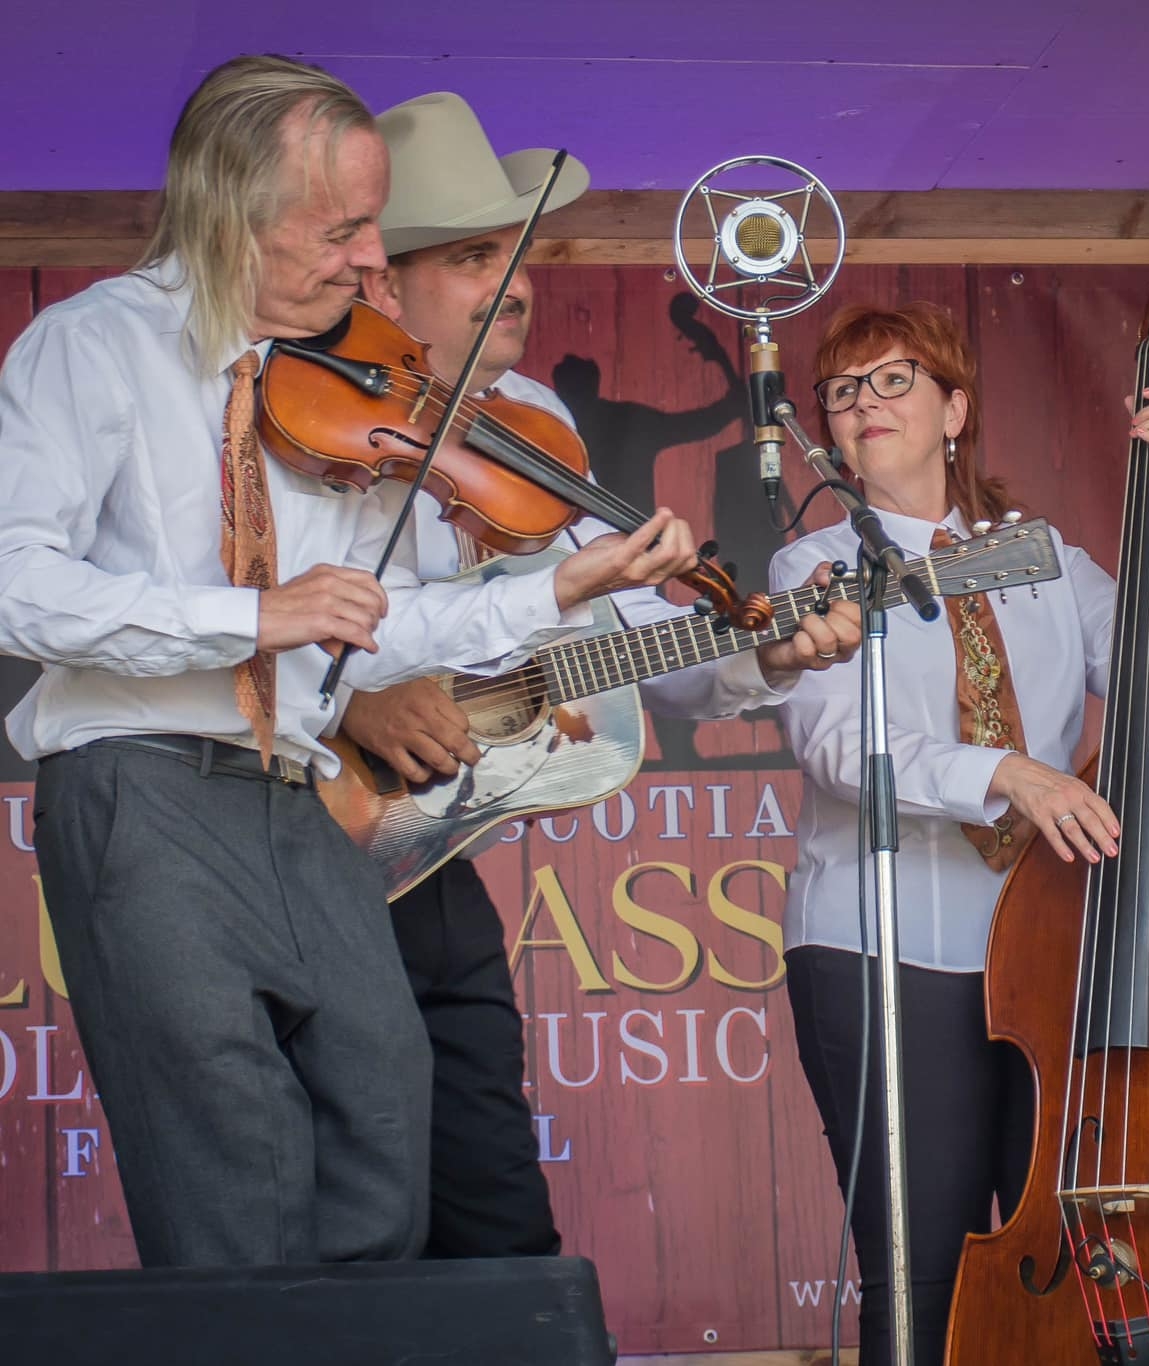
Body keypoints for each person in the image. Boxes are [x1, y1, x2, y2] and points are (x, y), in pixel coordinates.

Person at [0, 56, 705, 1267]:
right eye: (344, 229)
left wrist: (556, 589)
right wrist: (249, 615)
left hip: (291, 790)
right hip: (141, 786)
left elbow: (367, 626)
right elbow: (16, 585)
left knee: (388, 1096)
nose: (373, 260)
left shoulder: (314, 380)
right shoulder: (92, 347)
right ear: (232, 208)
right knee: (232, 1169)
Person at [343, 91, 862, 1258]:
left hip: (433, 839)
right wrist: (349, 695)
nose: (515, 279)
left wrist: (757, 657)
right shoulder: (298, 402)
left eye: (518, 251)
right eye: (477, 254)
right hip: (302, 817)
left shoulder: (532, 418)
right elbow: (252, 605)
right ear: (384, 277)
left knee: (488, 1181)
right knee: (344, 1197)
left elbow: (632, 636)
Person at [768, 302, 1149, 1365]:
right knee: (921, 1265)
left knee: (1061, 1253)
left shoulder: (1043, 558)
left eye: (892, 381)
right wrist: (1008, 773)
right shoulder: (814, 570)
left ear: (953, 409)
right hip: (881, 951)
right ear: (827, 432)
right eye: (842, 392)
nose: (863, 406)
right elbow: (846, 749)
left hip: (1041, 950)